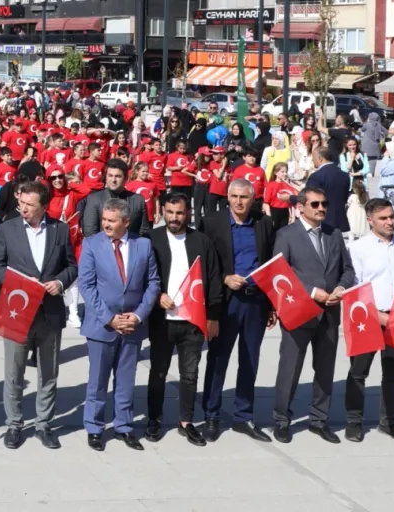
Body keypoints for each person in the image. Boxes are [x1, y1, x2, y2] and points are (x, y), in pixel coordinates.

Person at [0, 181, 77, 450]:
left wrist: (60, 282)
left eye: (29, 205)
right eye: (21, 203)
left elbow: (72, 266)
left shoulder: (60, 230)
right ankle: (14, 424)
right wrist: (20, 283)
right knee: (14, 372)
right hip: (17, 310)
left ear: (44, 206)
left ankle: (43, 424)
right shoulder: (7, 229)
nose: (23, 208)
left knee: (48, 372)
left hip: (49, 312)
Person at [270, 186, 356, 444]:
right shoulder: (286, 235)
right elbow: (280, 273)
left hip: (329, 313)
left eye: (324, 204)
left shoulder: (334, 234)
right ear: (300, 207)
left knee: (325, 370)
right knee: (290, 369)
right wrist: (311, 291)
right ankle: (281, 420)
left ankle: (319, 420)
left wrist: (340, 288)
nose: (321, 208)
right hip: (298, 312)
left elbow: (348, 270)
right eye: (315, 204)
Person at [78, 197, 160, 452]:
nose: (106, 224)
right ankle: (95, 428)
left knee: (126, 381)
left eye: (111, 221)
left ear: (126, 221)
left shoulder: (143, 245)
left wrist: (138, 316)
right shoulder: (91, 244)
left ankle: (124, 426)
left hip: (132, 325)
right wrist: (110, 319)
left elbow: (153, 283)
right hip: (102, 326)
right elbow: (86, 286)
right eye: (104, 219)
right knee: (98, 381)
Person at [200, 178, 277, 443]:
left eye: (244, 197)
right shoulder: (212, 222)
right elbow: (204, 262)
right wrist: (224, 278)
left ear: (252, 199)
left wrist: (271, 305)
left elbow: (271, 264)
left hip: (256, 301)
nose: (239, 202)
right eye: (234, 196)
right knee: (218, 358)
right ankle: (211, 415)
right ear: (228, 197)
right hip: (226, 301)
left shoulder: (264, 224)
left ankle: (243, 416)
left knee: (250, 359)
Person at [145, 193, 219, 447]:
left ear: (188, 213)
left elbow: (213, 279)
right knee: (158, 372)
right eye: (170, 212)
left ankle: (186, 422)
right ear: (162, 212)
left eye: (179, 213)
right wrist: (157, 296)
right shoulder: (151, 240)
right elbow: (142, 276)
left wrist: (213, 316)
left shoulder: (201, 241)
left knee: (189, 374)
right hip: (162, 321)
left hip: (192, 320)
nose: (174, 218)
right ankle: (154, 419)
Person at [344, 198, 394, 444]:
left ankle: (388, 422)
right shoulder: (358, 248)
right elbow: (354, 288)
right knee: (358, 373)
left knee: (392, 373)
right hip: (367, 318)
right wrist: (378, 316)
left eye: (391, 217)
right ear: (370, 221)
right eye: (383, 218)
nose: (390, 222)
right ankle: (354, 421)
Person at [80, 159, 149, 238]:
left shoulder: (138, 200)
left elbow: (144, 232)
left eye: (118, 176)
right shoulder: (94, 199)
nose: (113, 180)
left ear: (125, 178)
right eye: (110, 175)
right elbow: (90, 233)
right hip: (102, 244)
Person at [307, 147, 351, 233]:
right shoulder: (344, 175)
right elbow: (344, 199)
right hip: (340, 222)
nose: (312, 160)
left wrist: (290, 198)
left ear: (320, 159)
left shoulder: (316, 176)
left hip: (323, 221)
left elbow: (308, 198)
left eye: (313, 158)